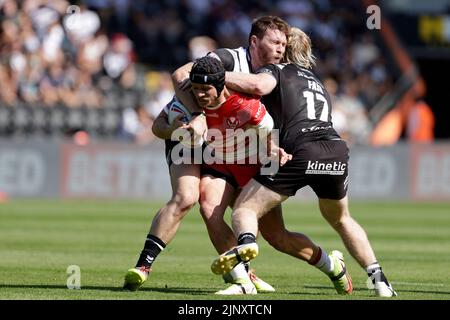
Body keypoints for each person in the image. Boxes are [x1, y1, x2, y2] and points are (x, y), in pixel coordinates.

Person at [212, 27, 397, 297]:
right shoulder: (318, 82)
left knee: (244, 210)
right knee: (342, 219)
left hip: (299, 150)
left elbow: (258, 86)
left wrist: (216, 75)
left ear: (283, 50)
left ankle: (246, 249)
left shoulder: (275, 71)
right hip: (335, 150)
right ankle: (380, 281)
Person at [122, 16, 285, 292]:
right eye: (276, 42)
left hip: (226, 140)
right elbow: (178, 79)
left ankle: (243, 272)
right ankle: (143, 266)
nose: (282, 48)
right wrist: (193, 118)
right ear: (255, 42)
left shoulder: (276, 71)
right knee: (187, 197)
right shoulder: (228, 59)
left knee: (256, 219)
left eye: (284, 43)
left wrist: (273, 146)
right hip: (191, 133)